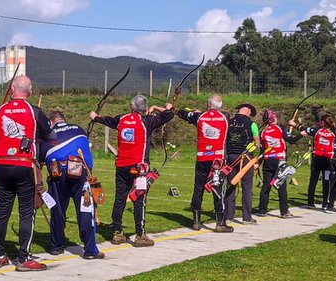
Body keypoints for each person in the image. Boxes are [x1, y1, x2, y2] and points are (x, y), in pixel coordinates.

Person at [0, 75, 52, 271]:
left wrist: (4, 146)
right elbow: (50, 136)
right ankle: (24, 258)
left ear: (11, 88)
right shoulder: (34, 111)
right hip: (24, 166)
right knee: (26, 212)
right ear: (29, 92)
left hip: (3, 165)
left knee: (2, 212)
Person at [89, 95, 174, 246]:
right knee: (139, 200)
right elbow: (169, 114)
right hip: (139, 168)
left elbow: (107, 120)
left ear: (131, 107)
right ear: (145, 109)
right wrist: (163, 107)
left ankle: (117, 232)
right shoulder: (147, 121)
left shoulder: (122, 119)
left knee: (120, 199)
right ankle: (140, 235)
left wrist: (95, 117)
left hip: (121, 166)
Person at [44, 111, 104, 259]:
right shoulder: (78, 129)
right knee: (85, 210)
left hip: (57, 173)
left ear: (51, 122)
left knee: (57, 211)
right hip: (79, 172)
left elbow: (42, 158)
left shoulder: (47, 134)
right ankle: (90, 250)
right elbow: (87, 156)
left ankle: (56, 246)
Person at [176, 94, 233, 232]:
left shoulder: (200, 117)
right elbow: (221, 113)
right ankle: (220, 223)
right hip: (217, 160)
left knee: (198, 188)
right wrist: (203, 112)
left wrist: (177, 110)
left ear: (208, 105)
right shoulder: (225, 117)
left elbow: (184, 114)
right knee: (217, 188)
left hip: (202, 157)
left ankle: (196, 222)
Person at [253, 109, 301, 218]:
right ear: (273, 118)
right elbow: (291, 140)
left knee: (266, 185)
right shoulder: (280, 129)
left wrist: (258, 163)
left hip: (268, 160)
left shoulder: (263, 132)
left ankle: (262, 210)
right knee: (281, 185)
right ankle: (284, 211)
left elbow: (262, 150)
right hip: (279, 161)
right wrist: (301, 134)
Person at [224, 103, 261, 225]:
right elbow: (257, 143)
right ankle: (246, 217)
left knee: (231, 184)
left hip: (230, 157)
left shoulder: (228, 122)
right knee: (247, 188)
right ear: (248, 112)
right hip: (245, 158)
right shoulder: (252, 124)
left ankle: (228, 216)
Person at [304, 114, 336, 211]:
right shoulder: (333, 132)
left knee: (313, 181)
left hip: (317, 159)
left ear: (323, 122)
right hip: (327, 160)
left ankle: (310, 202)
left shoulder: (317, 130)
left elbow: (306, 129)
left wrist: (294, 125)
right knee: (326, 181)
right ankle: (325, 203)